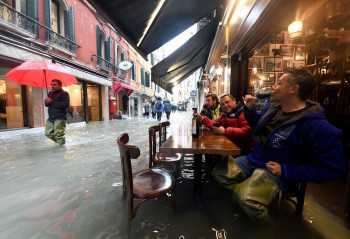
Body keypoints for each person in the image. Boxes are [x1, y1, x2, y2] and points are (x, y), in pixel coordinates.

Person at [225, 69, 345, 223]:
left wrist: (287, 170)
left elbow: (335, 168)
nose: (273, 87)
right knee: (220, 174)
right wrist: (250, 109)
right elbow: (258, 129)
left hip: (278, 172)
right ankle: (244, 192)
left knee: (246, 198)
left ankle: (268, 229)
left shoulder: (317, 126)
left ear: (293, 89)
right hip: (255, 159)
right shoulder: (273, 108)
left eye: (279, 83)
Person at [44, 79, 70, 145]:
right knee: (47, 133)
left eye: (55, 84)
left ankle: (61, 149)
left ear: (60, 85)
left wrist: (52, 102)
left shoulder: (64, 94)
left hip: (60, 118)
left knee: (59, 135)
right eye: (52, 85)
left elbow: (65, 105)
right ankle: (61, 144)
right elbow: (47, 105)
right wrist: (46, 102)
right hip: (51, 117)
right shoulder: (50, 93)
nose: (52, 86)